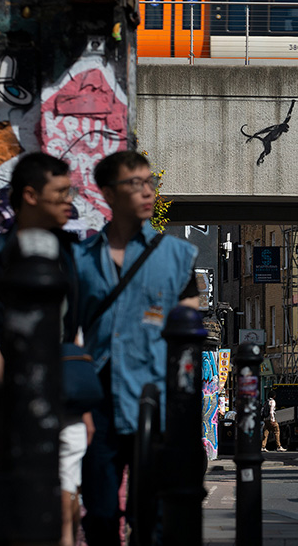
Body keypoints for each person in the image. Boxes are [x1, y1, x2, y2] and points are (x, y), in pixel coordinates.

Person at [74, 150, 199, 545]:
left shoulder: (178, 257)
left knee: (155, 516)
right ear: (109, 194)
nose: (148, 192)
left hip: (157, 401)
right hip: (99, 404)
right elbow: (67, 334)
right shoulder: (80, 259)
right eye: (135, 184)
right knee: (100, 513)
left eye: (151, 183)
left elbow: (189, 342)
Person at [0, 152, 91, 546]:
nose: (70, 200)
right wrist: (13, 394)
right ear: (30, 196)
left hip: (64, 396)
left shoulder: (69, 253)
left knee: (66, 503)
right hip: (13, 403)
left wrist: (78, 396)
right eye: (60, 192)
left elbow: (73, 327)